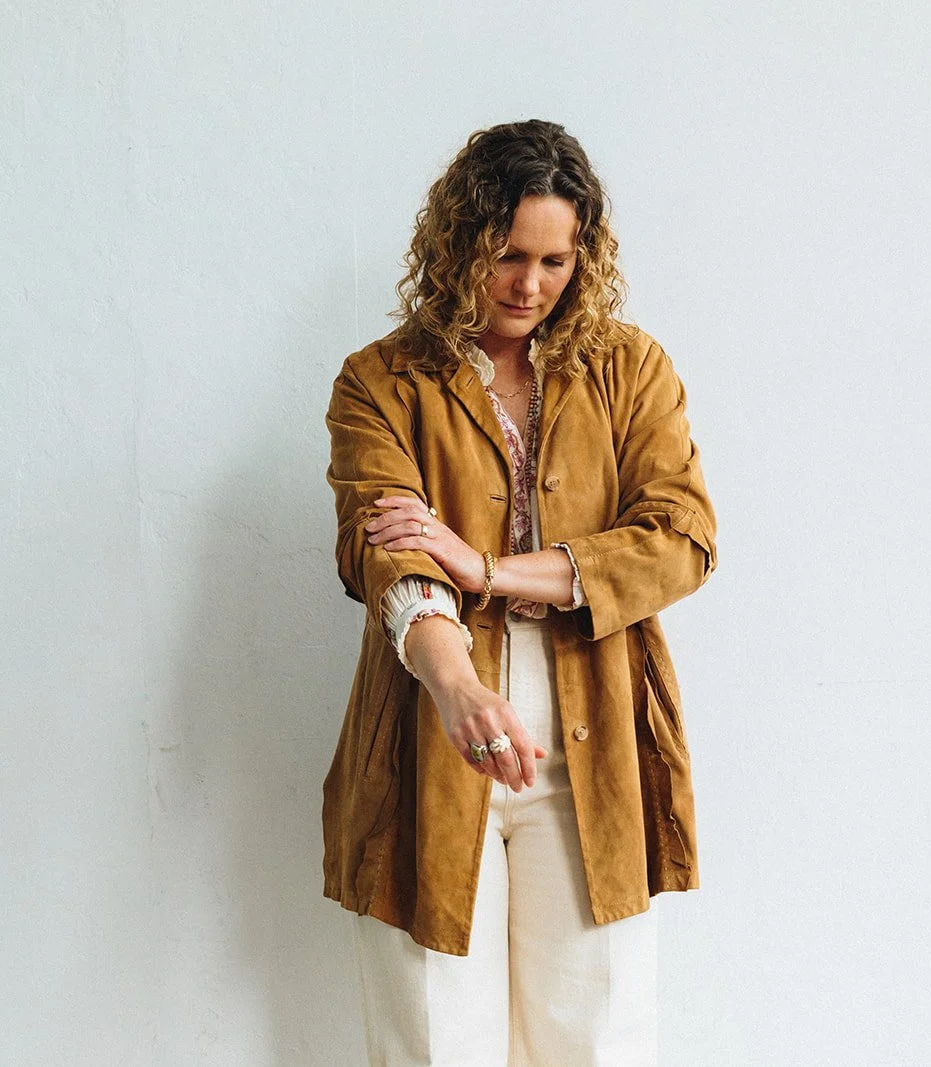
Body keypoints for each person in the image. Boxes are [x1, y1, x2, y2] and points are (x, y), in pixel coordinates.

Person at [321, 119, 719, 1066]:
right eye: (506, 255)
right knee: (433, 1040)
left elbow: (681, 538)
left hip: (599, 751)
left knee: (596, 1040)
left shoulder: (631, 370)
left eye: (554, 259)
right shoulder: (380, 383)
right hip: (431, 737)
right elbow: (388, 553)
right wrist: (457, 686)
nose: (529, 284)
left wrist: (489, 569)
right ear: (458, 243)